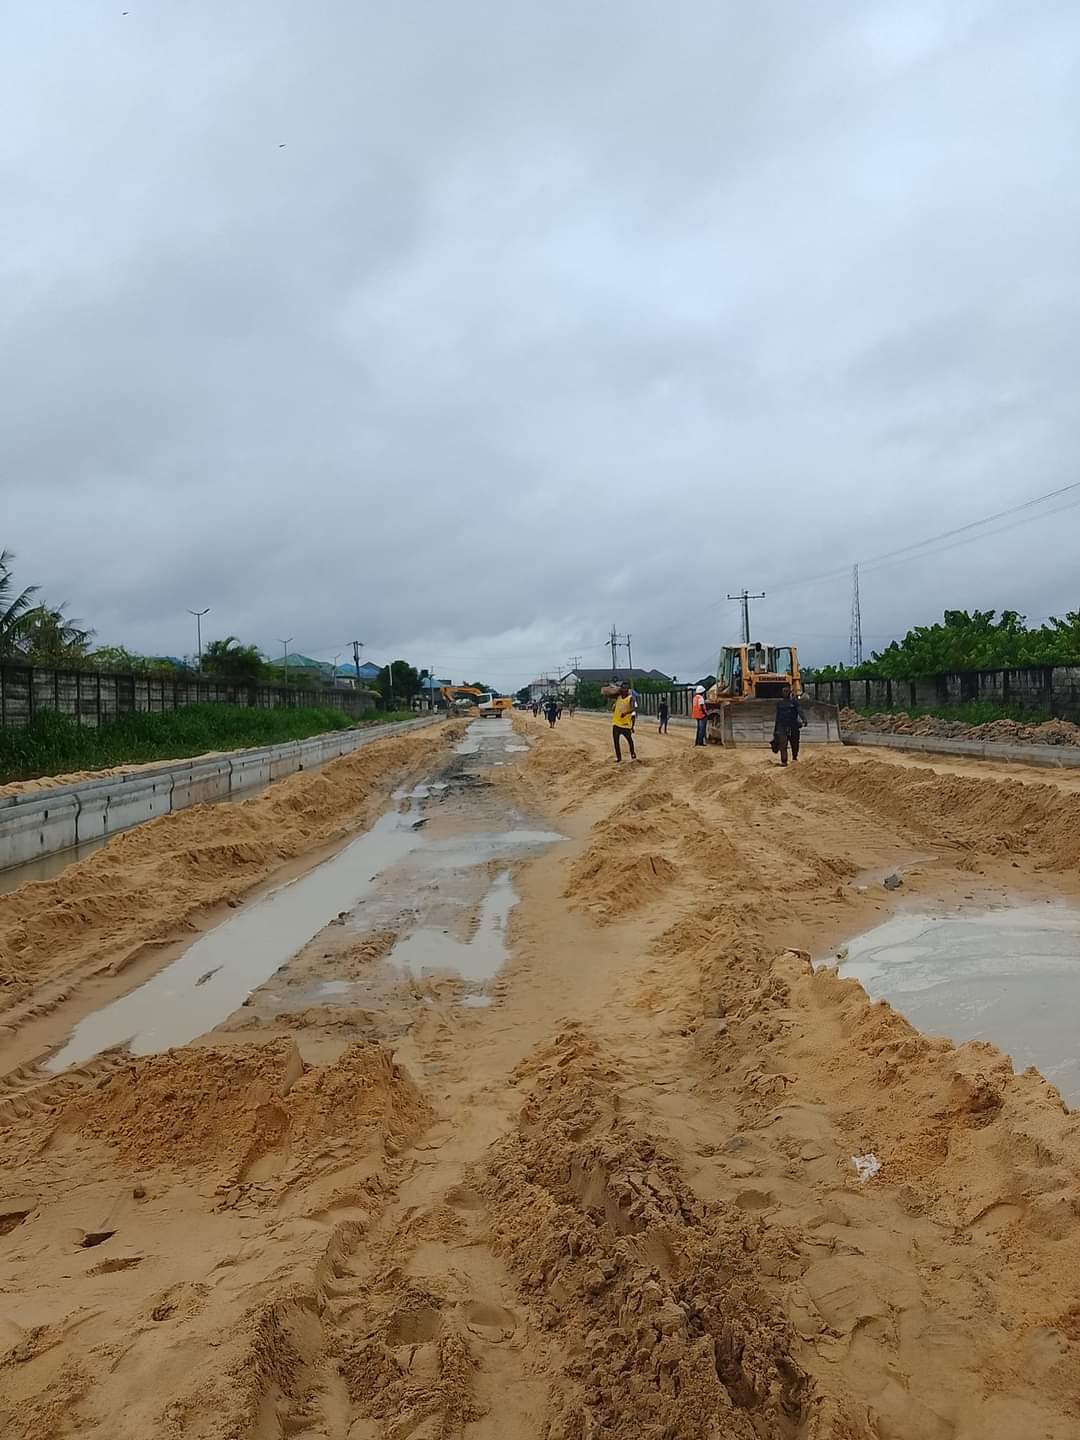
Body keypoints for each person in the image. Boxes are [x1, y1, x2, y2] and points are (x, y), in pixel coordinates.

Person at [773, 684, 803, 766]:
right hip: (782, 726)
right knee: (783, 744)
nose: (785, 693)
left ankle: (794, 757)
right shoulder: (780, 704)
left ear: (789, 692)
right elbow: (777, 716)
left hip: (793, 725)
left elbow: (800, 711)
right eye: (784, 691)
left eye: (786, 691)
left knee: (795, 743)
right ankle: (784, 761)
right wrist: (776, 729)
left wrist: (804, 719)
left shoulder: (794, 702)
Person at [612, 682, 637, 761]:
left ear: (628, 690)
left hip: (625, 724)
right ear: (621, 689)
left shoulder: (630, 698)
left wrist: (625, 713)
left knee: (630, 740)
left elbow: (633, 708)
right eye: (623, 688)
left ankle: (632, 753)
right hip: (616, 723)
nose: (625, 690)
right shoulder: (618, 697)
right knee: (616, 741)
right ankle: (619, 758)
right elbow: (606, 693)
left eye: (626, 688)